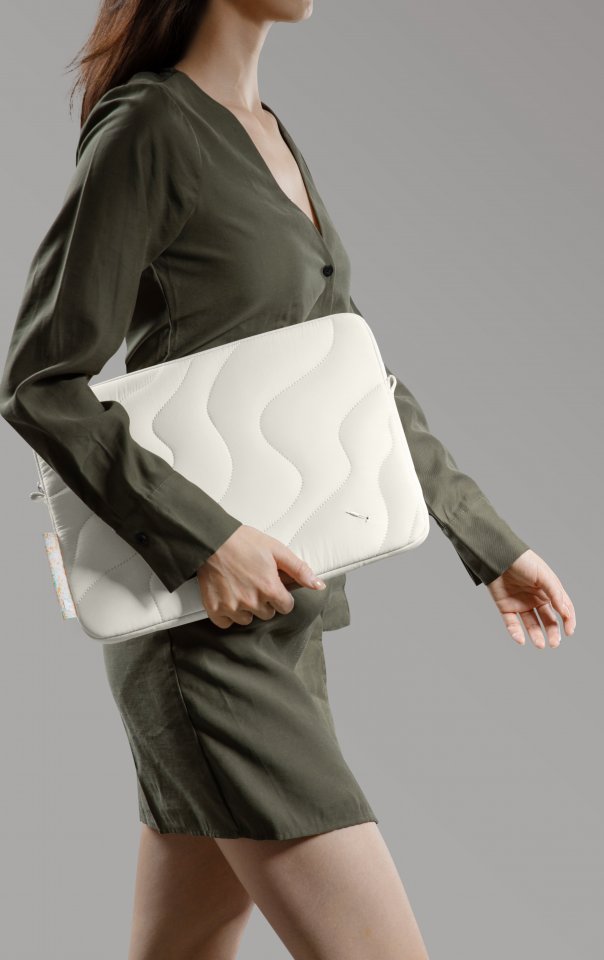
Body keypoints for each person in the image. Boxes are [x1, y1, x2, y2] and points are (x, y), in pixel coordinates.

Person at [0, 1, 576, 957]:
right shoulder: (151, 127)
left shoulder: (266, 131)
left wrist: (491, 543)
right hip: (205, 633)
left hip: (283, 617)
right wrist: (207, 542)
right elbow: (40, 383)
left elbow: (354, 379)